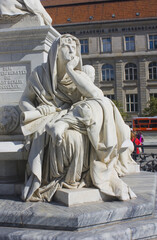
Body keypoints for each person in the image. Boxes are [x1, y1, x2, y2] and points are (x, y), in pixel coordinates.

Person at [19, 34, 139, 202]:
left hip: (75, 118)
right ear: (55, 51)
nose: (72, 51)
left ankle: (62, 124)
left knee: (103, 103)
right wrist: (37, 113)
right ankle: (61, 128)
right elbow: (23, 100)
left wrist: (70, 70)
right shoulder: (39, 74)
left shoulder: (77, 74)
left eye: (74, 48)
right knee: (74, 137)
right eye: (66, 47)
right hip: (51, 118)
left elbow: (97, 95)